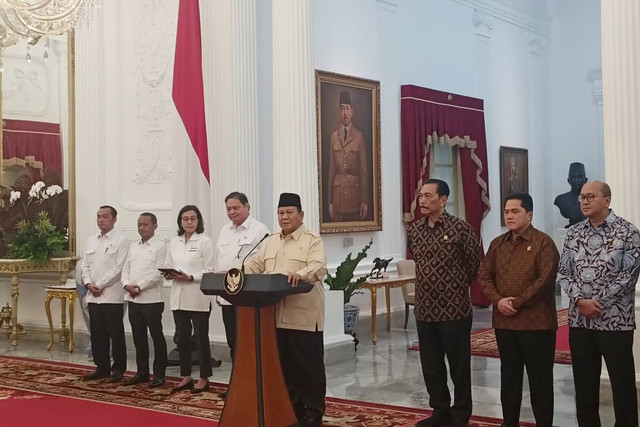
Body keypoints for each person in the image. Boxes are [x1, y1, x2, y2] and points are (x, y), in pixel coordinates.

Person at [558, 181, 640, 427]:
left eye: (590, 197)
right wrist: (580, 301)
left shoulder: (628, 232)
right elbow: (564, 272)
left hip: (615, 320)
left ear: (607, 200)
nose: (583, 201)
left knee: (622, 384)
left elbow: (629, 275)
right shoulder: (574, 233)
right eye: (582, 197)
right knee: (584, 385)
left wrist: (598, 302)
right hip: (580, 320)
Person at [244, 193, 327, 427]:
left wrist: (299, 275)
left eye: (290, 212)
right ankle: (292, 409)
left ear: (301, 215)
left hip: (303, 316)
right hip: (275, 316)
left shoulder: (312, 240)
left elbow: (318, 267)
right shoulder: (270, 240)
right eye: (281, 213)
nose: (284, 217)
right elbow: (255, 264)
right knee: (286, 367)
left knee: (308, 367)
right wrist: (236, 272)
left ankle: (313, 412)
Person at [479, 193, 559, 427]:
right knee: (509, 376)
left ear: (529, 214)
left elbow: (545, 280)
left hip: (537, 324)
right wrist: (498, 300)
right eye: (506, 212)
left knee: (540, 380)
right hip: (505, 323)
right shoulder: (497, 244)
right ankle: (509, 422)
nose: (509, 216)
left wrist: (516, 302)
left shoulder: (543, 243)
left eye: (515, 211)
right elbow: (484, 276)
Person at [407, 179, 480, 427]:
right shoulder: (415, 230)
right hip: (425, 310)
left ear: (443, 199)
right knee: (431, 365)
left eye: (428, 196)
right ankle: (439, 409)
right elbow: (417, 259)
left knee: (459, 365)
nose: (422, 201)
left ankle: (461, 412)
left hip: (454, 310)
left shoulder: (460, 228)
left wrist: (453, 287)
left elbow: (473, 265)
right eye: (420, 196)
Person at [214, 192, 269, 397]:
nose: (232, 212)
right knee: (233, 343)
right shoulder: (224, 231)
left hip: (248, 297)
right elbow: (221, 264)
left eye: (236, 207)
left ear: (247, 207)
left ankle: (255, 386)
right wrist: (219, 294)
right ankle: (237, 384)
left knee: (249, 344)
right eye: (228, 208)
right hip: (228, 297)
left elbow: (264, 265)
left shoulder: (260, 231)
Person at [162, 204, 216, 394]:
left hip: (198, 296)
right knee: (182, 339)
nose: (189, 222)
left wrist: (191, 276)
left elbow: (209, 271)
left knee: (201, 339)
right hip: (178, 296)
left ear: (199, 220)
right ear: (180, 222)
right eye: (185, 219)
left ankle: (204, 377)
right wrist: (168, 274)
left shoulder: (205, 241)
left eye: (193, 218)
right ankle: (186, 376)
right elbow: (168, 264)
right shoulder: (174, 242)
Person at [81, 205, 129, 382]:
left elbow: (118, 268)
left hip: (111, 295)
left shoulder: (121, 240)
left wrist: (99, 285)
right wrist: (88, 283)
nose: (101, 219)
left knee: (115, 333)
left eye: (105, 216)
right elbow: (85, 264)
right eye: (98, 216)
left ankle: (118, 369)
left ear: (114, 219)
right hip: (93, 295)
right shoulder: (91, 240)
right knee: (97, 333)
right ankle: (101, 367)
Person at [121, 212, 168, 388]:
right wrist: (127, 285)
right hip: (133, 300)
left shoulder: (160, 246)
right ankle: (142, 373)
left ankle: (159, 374)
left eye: (145, 224)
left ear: (155, 226)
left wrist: (139, 287)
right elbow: (125, 269)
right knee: (138, 337)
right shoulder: (134, 246)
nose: (142, 228)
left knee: (157, 337)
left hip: (151, 300)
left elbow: (158, 273)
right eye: (139, 224)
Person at [327, 90, 369, 222]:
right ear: (339, 111)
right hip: (337, 196)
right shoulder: (334, 136)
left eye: (347, 109)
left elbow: (363, 171)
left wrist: (364, 201)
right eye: (342, 109)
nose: (345, 113)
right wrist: (330, 202)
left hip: (354, 196)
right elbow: (332, 170)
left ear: (352, 111)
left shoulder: (359, 136)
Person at [554, 162, 588, 227]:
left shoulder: (590, 200)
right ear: (568, 180)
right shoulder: (561, 200)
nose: (577, 180)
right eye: (573, 177)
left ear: (585, 180)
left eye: (579, 177)